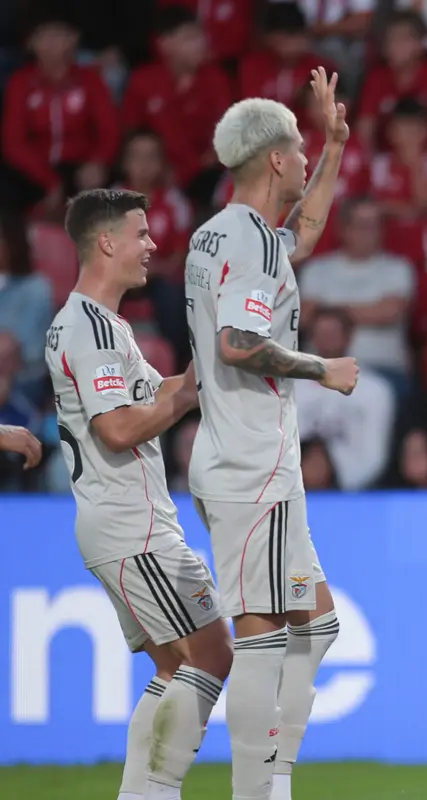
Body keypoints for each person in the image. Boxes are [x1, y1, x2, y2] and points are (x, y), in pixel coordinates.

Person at [183, 69, 359, 800]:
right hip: (249, 467)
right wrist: (322, 368)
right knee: (259, 642)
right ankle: (256, 790)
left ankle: (275, 778)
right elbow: (236, 342)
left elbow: (306, 235)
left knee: (316, 627)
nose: (304, 153)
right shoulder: (251, 243)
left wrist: (335, 148)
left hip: (254, 465)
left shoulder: (223, 234)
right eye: (299, 144)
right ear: (276, 160)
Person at [46, 189, 233, 800]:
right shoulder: (91, 331)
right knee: (211, 655)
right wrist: (184, 396)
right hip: (132, 526)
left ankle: (141, 794)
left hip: (123, 525)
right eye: (141, 234)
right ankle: (155, 792)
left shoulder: (99, 326)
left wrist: (221, 354)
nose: (152, 245)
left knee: (175, 666)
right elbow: (121, 427)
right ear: (106, 243)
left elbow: (164, 393)